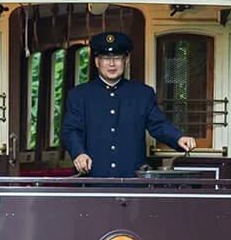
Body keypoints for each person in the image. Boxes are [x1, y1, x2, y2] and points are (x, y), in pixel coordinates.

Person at [61, 30, 197, 177]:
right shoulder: (79, 95)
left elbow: (158, 125)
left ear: (126, 60)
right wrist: (79, 153)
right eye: (106, 58)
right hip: (93, 179)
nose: (112, 64)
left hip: (133, 179)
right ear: (97, 62)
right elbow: (71, 131)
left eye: (117, 58)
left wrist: (178, 138)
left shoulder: (142, 94)